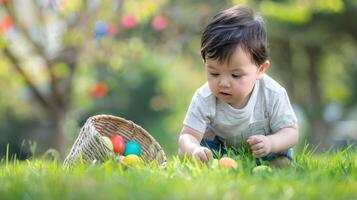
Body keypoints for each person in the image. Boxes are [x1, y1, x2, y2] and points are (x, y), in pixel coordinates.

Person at [178, 5, 299, 168]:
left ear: (260, 70)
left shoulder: (272, 94)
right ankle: (212, 163)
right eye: (214, 73)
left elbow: (291, 133)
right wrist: (194, 149)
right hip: (223, 150)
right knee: (188, 151)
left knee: (280, 150)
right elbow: (187, 135)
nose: (223, 83)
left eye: (236, 75)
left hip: (264, 149)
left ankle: (277, 163)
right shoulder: (204, 97)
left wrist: (270, 143)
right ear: (205, 64)